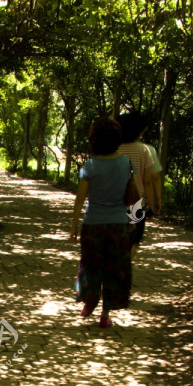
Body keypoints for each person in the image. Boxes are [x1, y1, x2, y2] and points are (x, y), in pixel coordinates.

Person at [69, 117, 132, 328]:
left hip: (93, 224)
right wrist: (134, 221)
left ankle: (89, 302)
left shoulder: (90, 166)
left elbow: (80, 199)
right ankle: (105, 315)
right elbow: (132, 195)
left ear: (95, 140)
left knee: (90, 266)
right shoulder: (126, 163)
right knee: (114, 269)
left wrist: (73, 226)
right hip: (118, 224)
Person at [117, 111, 156, 260]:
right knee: (133, 241)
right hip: (136, 204)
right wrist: (151, 206)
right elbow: (147, 181)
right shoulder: (144, 150)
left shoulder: (114, 148)